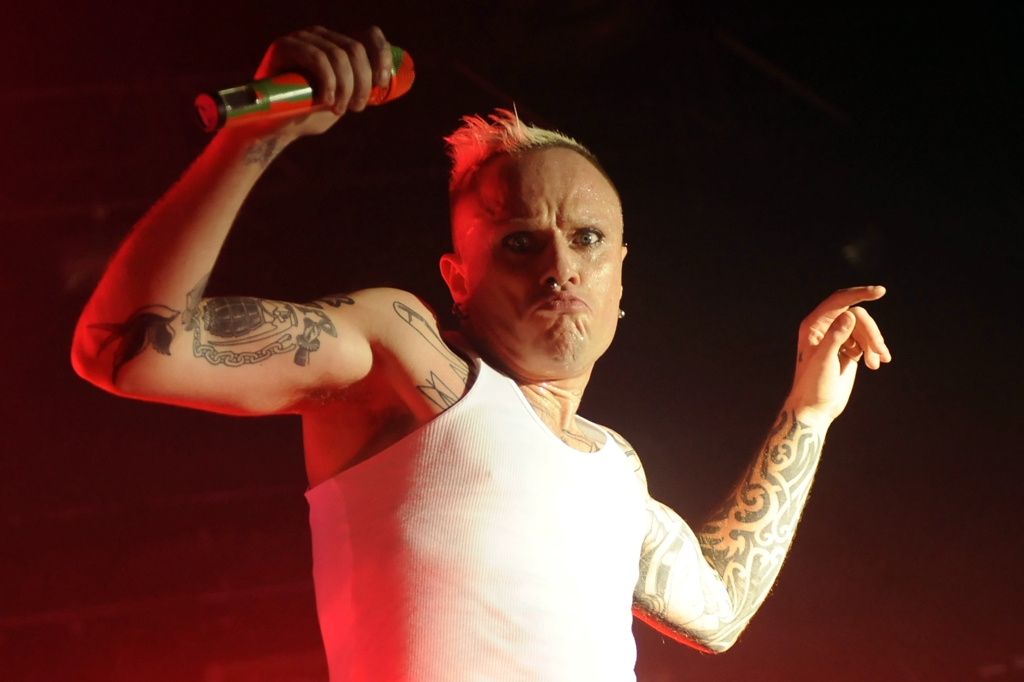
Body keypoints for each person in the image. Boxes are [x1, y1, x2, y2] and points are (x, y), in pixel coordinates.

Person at [71, 25, 891, 682]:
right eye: (520, 241)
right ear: (457, 278)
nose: (560, 264)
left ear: (620, 276)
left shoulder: (613, 468)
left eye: (587, 238)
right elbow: (126, 348)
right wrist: (259, 134)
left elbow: (717, 612)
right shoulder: (407, 361)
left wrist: (808, 414)